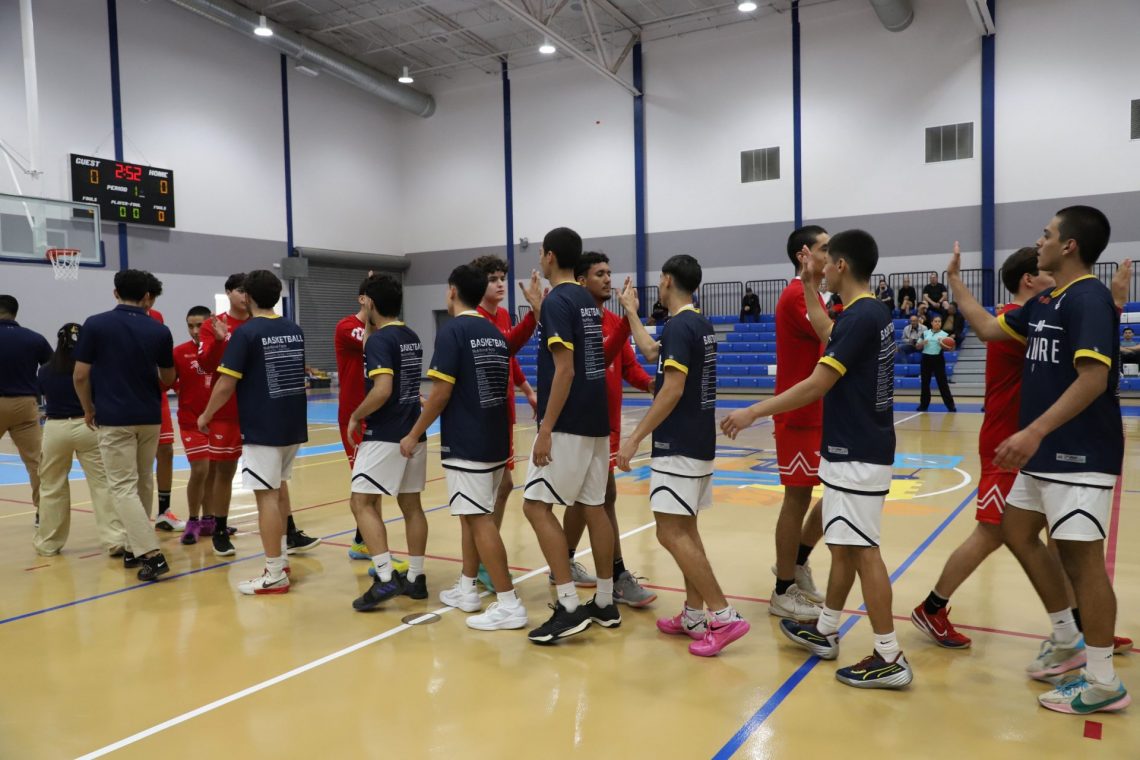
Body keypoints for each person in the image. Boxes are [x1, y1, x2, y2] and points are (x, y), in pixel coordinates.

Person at [945, 206, 1129, 714]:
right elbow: (989, 329)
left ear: (1069, 246)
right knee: (1016, 530)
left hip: (1080, 452)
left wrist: (1034, 430)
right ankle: (1067, 636)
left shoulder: (1088, 298)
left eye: (1047, 234)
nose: (1040, 241)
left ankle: (1103, 681)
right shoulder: (1048, 300)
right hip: (1044, 453)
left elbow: (1093, 379)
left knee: (1083, 561)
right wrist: (956, 284)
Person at [912, 248, 1134, 655]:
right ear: (1029, 280)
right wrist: (1114, 306)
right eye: (1046, 274)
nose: (1054, 278)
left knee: (1061, 539)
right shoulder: (1029, 320)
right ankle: (932, 607)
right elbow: (1079, 351)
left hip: (1033, 446)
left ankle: (1084, 625)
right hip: (1009, 442)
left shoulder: (1034, 314)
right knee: (993, 532)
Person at [723, 229, 913, 690]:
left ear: (842, 265)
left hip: (857, 452)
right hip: (857, 448)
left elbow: (816, 383)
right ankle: (827, 629)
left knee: (864, 551)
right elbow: (827, 332)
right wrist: (810, 285)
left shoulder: (860, 316)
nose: (822, 267)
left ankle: (889, 655)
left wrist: (753, 411)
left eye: (827, 262)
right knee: (844, 546)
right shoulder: (867, 312)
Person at [616, 256, 750, 656]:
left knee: (669, 532)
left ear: (668, 280)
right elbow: (650, 352)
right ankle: (694, 614)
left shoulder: (679, 327)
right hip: (698, 444)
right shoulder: (698, 324)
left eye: (660, 279)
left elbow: (671, 389)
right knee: (686, 531)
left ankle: (723, 616)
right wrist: (631, 313)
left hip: (678, 446)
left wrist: (635, 437)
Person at [403, 264, 528, 631]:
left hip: (467, 442)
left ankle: (508, 603)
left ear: (453, 291)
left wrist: (413, 433)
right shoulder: (493, 333)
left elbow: (441, 393)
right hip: (494, 440)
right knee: (472, 516)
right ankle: (467, 587)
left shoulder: (453, 331)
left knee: (479, 519)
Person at [522, 227, 620, 644]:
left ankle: (567, 606)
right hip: (596, 421)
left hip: (567, 424)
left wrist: (545, 429)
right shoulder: (583, 301)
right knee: (594, 507)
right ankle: (605, 601)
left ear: (549, 256)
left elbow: (565, 369)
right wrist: (539, 309)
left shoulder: (560, 301)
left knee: (535, 507)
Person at [198, 270, 308, 595]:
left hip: (263, 426)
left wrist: (207, 414)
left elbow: (226, 383)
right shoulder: (294, 329)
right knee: (279, 491)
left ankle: (274, 573)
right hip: (292, 425)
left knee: (267, 497)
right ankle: (282, 560)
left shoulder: (246, 333)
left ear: (247, 297)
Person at [561, 251, 657, 607]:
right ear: (581, 280)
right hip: (584, 425)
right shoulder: (579, 321)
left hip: (607, 427)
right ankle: (616, 576)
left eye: (609, 272)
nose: (607, 278)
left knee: (588, 498)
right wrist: (629, 319)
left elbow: (628, 366)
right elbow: (600, 357)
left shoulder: (613, 320)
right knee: (601, 497)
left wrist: (650, 384)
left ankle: (564, 561)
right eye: (599, 273)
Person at [73, 269, 175, 582]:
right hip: (150, 416)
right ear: (147, 296)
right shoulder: (159, 329)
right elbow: (169, 377)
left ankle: (152, 554)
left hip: (115, 418)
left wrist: (88, 408)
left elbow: (80, 375)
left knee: (122, 487)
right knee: (143, 481)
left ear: (115, 293)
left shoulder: (96, 324)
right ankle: (133, 547)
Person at [345, 274, 430, 609]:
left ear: (370, 302)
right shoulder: (410, 335)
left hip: (385, 434)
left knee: (361, 503)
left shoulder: (381, 341)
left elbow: (382, 390)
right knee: (412, 506)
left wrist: (356, 416)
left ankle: (384, 577)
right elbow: (374, 345)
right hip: (414, 432)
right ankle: (416, 579)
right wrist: (371, 318)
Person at [767, 226, 830, 622]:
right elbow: (834, 337)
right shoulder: (796, 296)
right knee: (797, 499)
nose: (831, 254)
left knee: (831, 492)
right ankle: (782, 588)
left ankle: (798, 561)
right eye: (825, 248)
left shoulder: (814, 296)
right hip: (798, 415)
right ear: (803, 254)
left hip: (818, 412)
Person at [470, 255, 544, 591]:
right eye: (493, 279)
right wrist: (533, 315)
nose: (500, 284)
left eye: (502, 278)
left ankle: (483, 559)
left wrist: (527, 390)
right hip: (483, 415)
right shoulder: (476, 319)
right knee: (489, 491)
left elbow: (508, 357)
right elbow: (506, 347)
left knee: (502, 487)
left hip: (504, 411)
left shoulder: (501, 315)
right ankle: (482, 561)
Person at [33, 323, 126, 556]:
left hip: (55, 429)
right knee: (102, 484)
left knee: (52, 486)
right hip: (88, 426)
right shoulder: (93, 368)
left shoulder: (45, 370)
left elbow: (42, 394)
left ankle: (48, 543)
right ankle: (115, 539)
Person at [0, 294, 51, 517]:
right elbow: (51, 369)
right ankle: (44, 512)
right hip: (25, 404)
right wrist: (37, 388)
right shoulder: (34, 338)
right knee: (36, 462)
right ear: (15, 313)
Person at [143, 275, 185, 533]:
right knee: (137, 460)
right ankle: (134, 516)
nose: (149, 301)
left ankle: (163, 512)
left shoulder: (157, 318)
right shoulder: (114, 322)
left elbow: (164, 358)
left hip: (156, 394)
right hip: (130, 397)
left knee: (166, 450)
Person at [171, 307, 214, 545]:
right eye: (190, 326)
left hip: (219, 422)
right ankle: (193, 521)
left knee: (214, 473)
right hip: (191, 422)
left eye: (199, 325)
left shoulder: (222, 350)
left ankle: (210, 521)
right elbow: (167, 380)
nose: (195, 330)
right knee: (200, 470)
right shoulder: (179, 353)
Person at [916, 315, 956, 413]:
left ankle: (951, 406)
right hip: (926, 359)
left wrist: (943, 345)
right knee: (925, 383)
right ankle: (923, 405)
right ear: (931, 323)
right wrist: (922, 343)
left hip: (938, 359)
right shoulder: (925, 333)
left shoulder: (945, 334)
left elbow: (951, 348)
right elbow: (917, 346)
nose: (938, 323)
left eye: (939, 321)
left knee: (943, 383)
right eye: (935, 321)